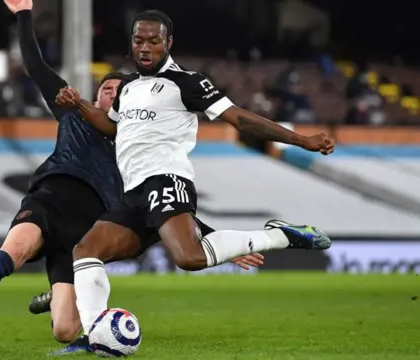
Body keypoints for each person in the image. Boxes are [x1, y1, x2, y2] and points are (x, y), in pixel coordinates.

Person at [0, 0, 265, 353]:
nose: (111, 93)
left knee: (65, 331)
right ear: (97, 97)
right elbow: (35, 66)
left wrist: (217, 243)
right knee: (14, 249)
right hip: (49, 203)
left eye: (118, 90)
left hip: (84, 237)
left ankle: (62, 298)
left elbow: (166, 203)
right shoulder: (73, 113)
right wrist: (22, 14)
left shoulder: (139, 147)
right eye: (105, 89)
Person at [53, 9, 335, 349]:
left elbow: (240, 119)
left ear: (168, 43)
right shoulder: (127, 87)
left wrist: (301, 140)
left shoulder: (186, 82)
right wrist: (80, 104)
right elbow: (112, 127)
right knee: (86, 251)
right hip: (134, 193)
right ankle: (94, 336)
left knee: (189, 258)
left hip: (166, 180)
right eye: (139, 41)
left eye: (154, 41)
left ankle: (279, 236)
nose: (145, 48)